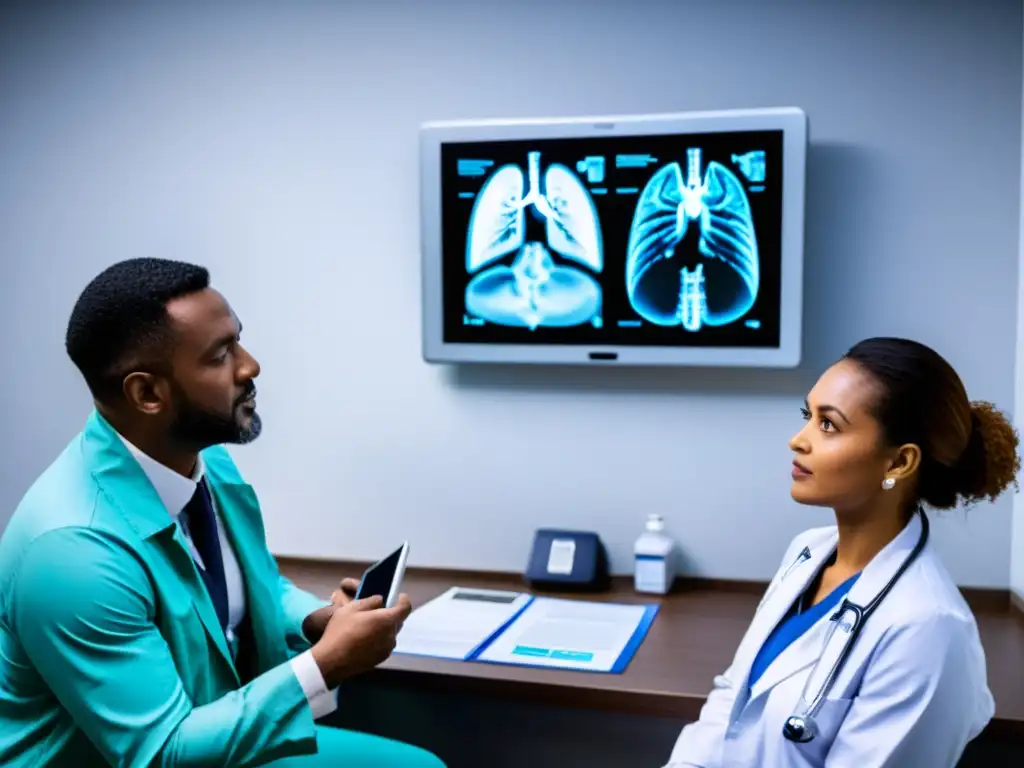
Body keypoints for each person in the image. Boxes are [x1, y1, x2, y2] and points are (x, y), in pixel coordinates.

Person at [0, 258, 446, 767]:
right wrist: (323, 666)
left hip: (215, 740)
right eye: (220, 355)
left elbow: (250, 588)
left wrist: (316, 620)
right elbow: (162, 753)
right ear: (147, 393)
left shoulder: (201, 457)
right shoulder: (71, 551)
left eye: (238, 339)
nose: (249, 365)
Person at [663, 337, 1020, 768]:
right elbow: (732, 698)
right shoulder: (807, 552)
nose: (798, 440)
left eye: (828, 425)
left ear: (899, 463)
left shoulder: (929, 629)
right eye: (806, 416)